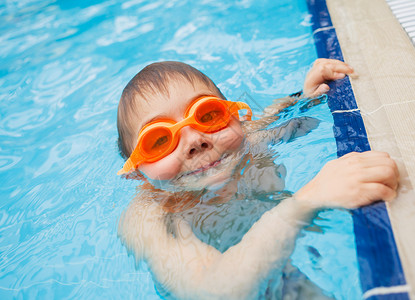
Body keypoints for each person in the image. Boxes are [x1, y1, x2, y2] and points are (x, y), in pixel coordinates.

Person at [116, 59, 399, 299]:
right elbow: (219, 291)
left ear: (235, 116)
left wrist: (307, 96)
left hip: (283, 269)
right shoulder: (150, 218)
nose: (195, 140)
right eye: (159, 140)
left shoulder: (247, 143)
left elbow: (281, 122)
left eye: (207, 114)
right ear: (136, 172)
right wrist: (307, 200)